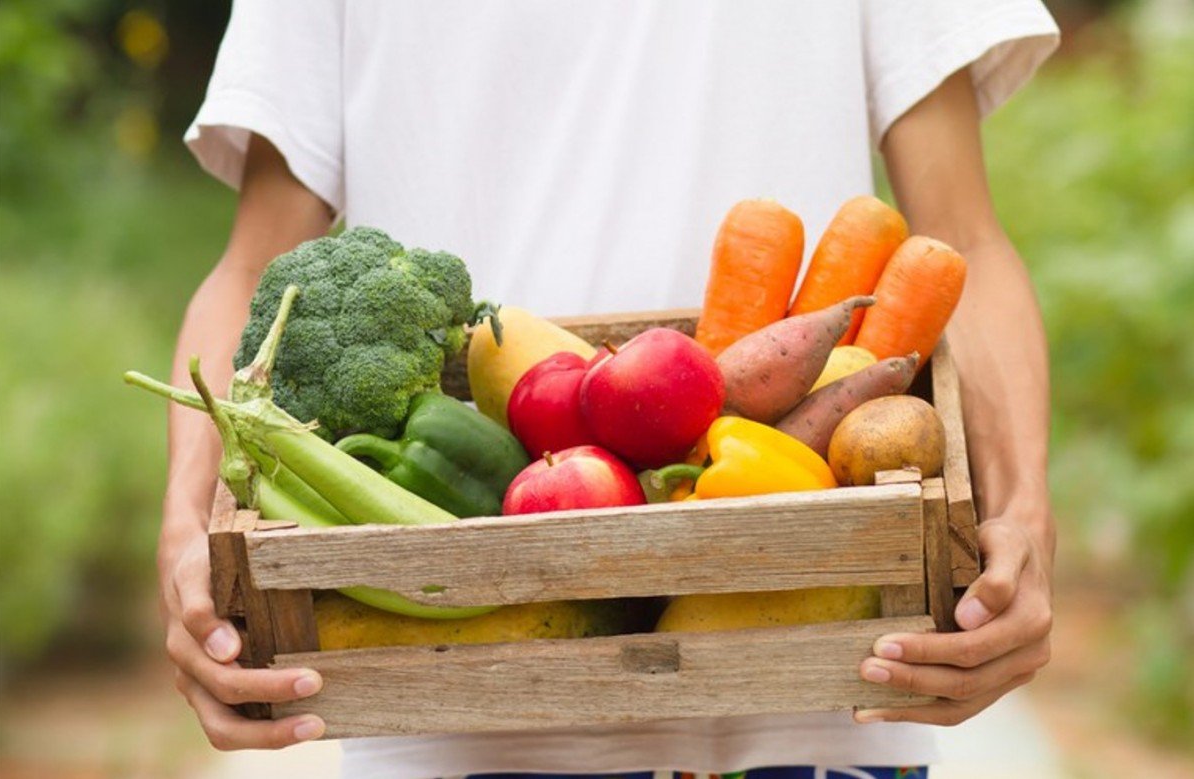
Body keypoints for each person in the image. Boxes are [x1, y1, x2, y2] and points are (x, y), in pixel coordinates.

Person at [163, 2, 1058, 776]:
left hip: (823, 688)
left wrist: (1023, 513)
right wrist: (185, 534)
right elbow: (251, 273)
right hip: (450, 710)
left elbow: (965, 241)